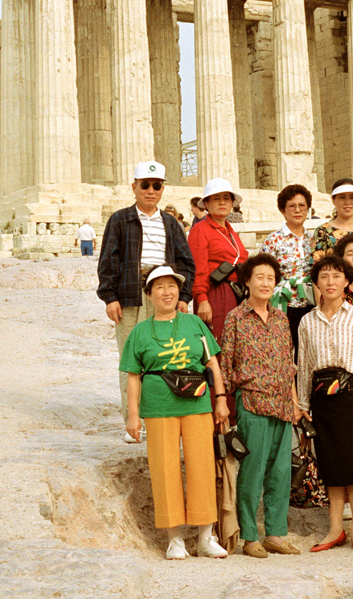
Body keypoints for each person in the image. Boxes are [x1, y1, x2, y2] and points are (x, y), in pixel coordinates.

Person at [120, 264, 230, 560]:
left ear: (179, 291)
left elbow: (212, 364)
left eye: (171, 286)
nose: (166, 292)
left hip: (196, 402)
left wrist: (220, 399)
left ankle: (206, 536)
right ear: (149, 295)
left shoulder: (195, 324)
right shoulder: (140, 332)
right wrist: (133, 416)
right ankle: (175, 539)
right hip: (158, 406)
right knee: (164, 468)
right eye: (159, 287)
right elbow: (132, 375)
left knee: (202, 465)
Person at [217, 254, 302, 558]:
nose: (265, 283)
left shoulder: (280, 318)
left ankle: (276, 534)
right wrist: (223, 405)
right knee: (252, 472)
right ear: (247, 282)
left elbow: (288, 364)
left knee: (280, 471)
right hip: (251, 401)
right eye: (259, 277)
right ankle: (250, 536)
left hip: (281, 402)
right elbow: (225, 363)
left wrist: (293, 401)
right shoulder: (235, 318)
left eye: (270, 278)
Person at [296, 254, 353, 551]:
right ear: (316, 283)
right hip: (323, 401)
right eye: (324, 276)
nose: (330, 282)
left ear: (347, 281)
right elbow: (304, 364)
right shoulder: (307, 321)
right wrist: (303, 404)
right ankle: (334, 529)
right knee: (331, 465)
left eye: (336, 276)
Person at [97, 160, 195, 404]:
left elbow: (186, 262)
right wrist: (110, 298)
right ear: (134, 187)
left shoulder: (171, 223)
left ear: (162, 189)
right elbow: (108, 260)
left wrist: (183, 297)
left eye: (157, 185)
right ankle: (132, 422)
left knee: (165, 355)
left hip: (164, 294)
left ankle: (158, 414)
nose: (151, 190)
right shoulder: (119, 220)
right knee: (131, 358)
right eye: (145, 185)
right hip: (130, 293)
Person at [188, 177, 248, 343]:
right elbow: (197, 268)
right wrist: (202, 300)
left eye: (226, 198)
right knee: (219, 343)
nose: (222, 202)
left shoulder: (231, 232)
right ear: (206, 204)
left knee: (236, 344)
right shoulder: (200, 230)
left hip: (236, 293)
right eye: (216, 198)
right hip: (215, 294)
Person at [260, 184, 316, 304]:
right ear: (282, 210)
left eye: (302, 205)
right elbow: (263, 272)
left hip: (311, 302)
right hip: (282, 303)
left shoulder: (313, 239)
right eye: (291, 206)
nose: (297, 210)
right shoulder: (273, 240)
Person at [309, 179, 353, 259]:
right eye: (342, 197)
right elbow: (316, 264)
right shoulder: (322, 231)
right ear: (333, 200)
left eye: (352, 197)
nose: (348, 202)